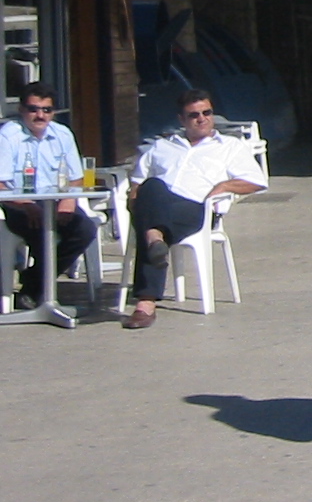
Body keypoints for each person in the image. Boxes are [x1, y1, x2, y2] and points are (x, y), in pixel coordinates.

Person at [123, 89, 267, 330]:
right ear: (181, 119)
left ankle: (146, 300)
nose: (201, 119)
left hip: (196, 210)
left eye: (206, 113)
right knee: (153, 187)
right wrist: (134, 198)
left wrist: (224, 185)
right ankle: (155, 238)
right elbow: (136, 183)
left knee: (150, 218)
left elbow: (257, 181)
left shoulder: (229, 146)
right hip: (157, 204)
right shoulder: (161, 146)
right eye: (193, 115)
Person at [0, 83, 95, 310]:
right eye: (34, 109)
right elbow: (1, 183)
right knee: (42, 234)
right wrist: (25, 204)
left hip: (55, 202)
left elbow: (76, 177)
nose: (40, 115)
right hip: (18, 204)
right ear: (22, 110)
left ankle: (33, 281)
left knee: (85, 230)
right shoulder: (8, 135)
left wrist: (69, 200)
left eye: (47, 110)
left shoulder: (62, 134)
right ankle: (35, 292)